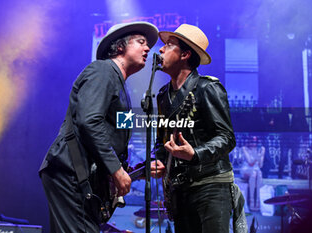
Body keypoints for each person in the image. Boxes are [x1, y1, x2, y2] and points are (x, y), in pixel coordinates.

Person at [38, 21, 158, 233]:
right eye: (141, 42)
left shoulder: (122, 87)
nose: (148, 48)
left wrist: (138, 170)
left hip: (85, 177)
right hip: (72, 173)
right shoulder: (102, 70)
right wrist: (116, 169)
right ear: (120, 46)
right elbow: (89, 121)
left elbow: (114, 141)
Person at [150, 24, 247, 233]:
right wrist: (157, 159)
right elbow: (161, 140)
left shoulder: (208, 88)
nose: (160, 50)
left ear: (185, 54)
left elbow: (227, 137)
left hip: (211, 185)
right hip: (181, 189)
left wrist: (195, 153)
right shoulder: (162, 95)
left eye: (168, 45)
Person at [240, 135, 265, 211]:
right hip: (246, 169)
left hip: (256, 171)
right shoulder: (245, 148)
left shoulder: (261, 149)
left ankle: (257, 201)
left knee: (258, 173)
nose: (253, 143)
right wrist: (258, 156)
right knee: (255, 173)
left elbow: (260, 165)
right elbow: (250, 162)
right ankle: (251, 201)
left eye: (254, 141)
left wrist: (261, 154)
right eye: (251, 141)